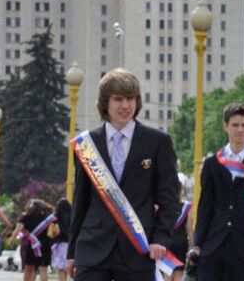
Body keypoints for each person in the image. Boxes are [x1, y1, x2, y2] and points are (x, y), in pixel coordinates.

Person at [67, 68, 180, 281]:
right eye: (118, 99)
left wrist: (161, 238)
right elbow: (80, 202)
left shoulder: (158, 142)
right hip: (92, 249)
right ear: (104, 103)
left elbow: (169, 198)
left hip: (139, 249)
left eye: (131, 99)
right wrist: (72, 252)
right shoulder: (86, 145)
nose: (125, 106)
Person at [189, 102, 244, 281]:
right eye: (235, 125)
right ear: (225, 126)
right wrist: (196, 244)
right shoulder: (212, 163)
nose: (240, 130)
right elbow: (205, 207)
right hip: (213, 245)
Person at [9, 199, 56, 281]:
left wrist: (12, 240)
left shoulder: (27, 216)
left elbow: (19, 229)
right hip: (45, 246)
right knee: (43, 270)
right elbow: (56, 232)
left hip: (32, 246)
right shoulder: (48, 218)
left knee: (28, 269)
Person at [52, 198, 72, 281]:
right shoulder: (73, 216)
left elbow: (56, 232)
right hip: (71, 244)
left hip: (61, 244)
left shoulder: (56, 218)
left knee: (61, 268)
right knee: (66, 267)